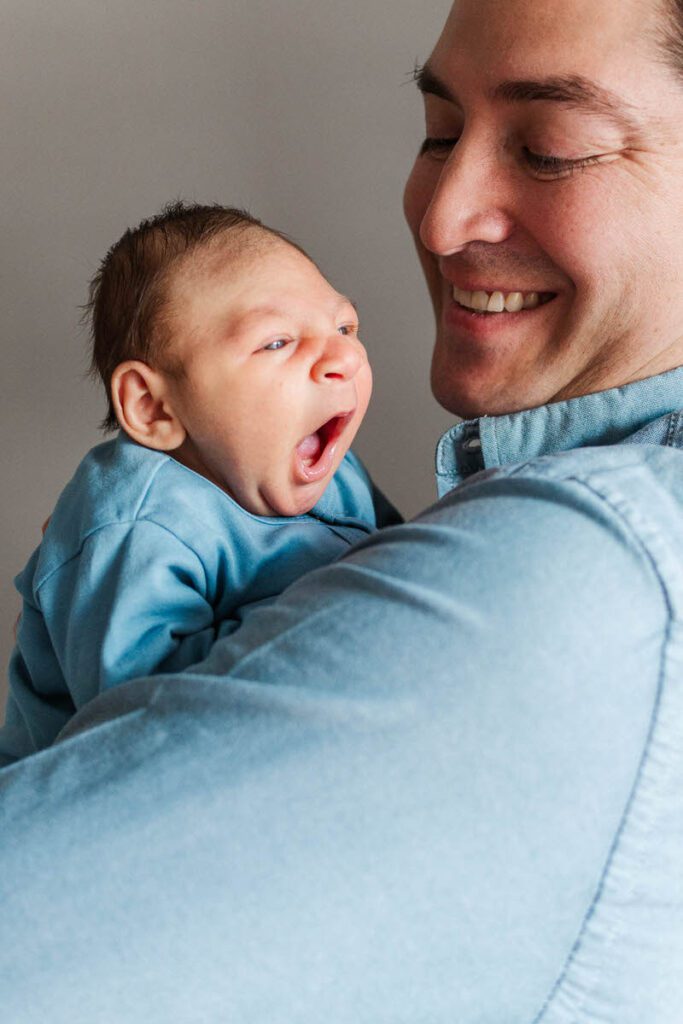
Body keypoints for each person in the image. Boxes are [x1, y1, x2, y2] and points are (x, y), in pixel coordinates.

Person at [1, 0, 683, 1020]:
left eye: (550, 148)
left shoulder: (570, 574)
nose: (439, 217)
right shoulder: (146, 519)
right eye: (437, 133)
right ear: (152, 403)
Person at [0, 201, 396, 766]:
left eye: (343, 326)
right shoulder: (134, 525)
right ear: (154, 406)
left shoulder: (330, 469)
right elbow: (145, 721)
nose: (341, 358)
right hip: (95, 810)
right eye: (277, 342)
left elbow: (408, 569)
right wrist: (341, 605)